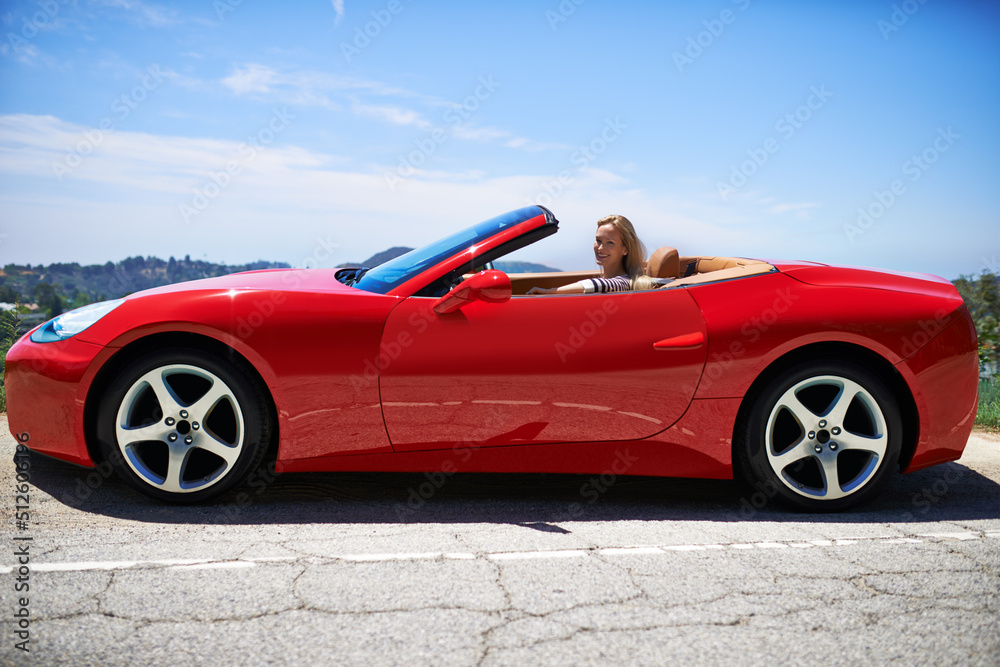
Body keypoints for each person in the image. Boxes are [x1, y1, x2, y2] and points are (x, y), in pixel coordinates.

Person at [527, 214, 647, 294]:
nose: (601, 248)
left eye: (610, 243)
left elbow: (597, 285)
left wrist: (550, 292)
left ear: (625, 249)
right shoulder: (608, 281)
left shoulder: (624, 282)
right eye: (598, 240)